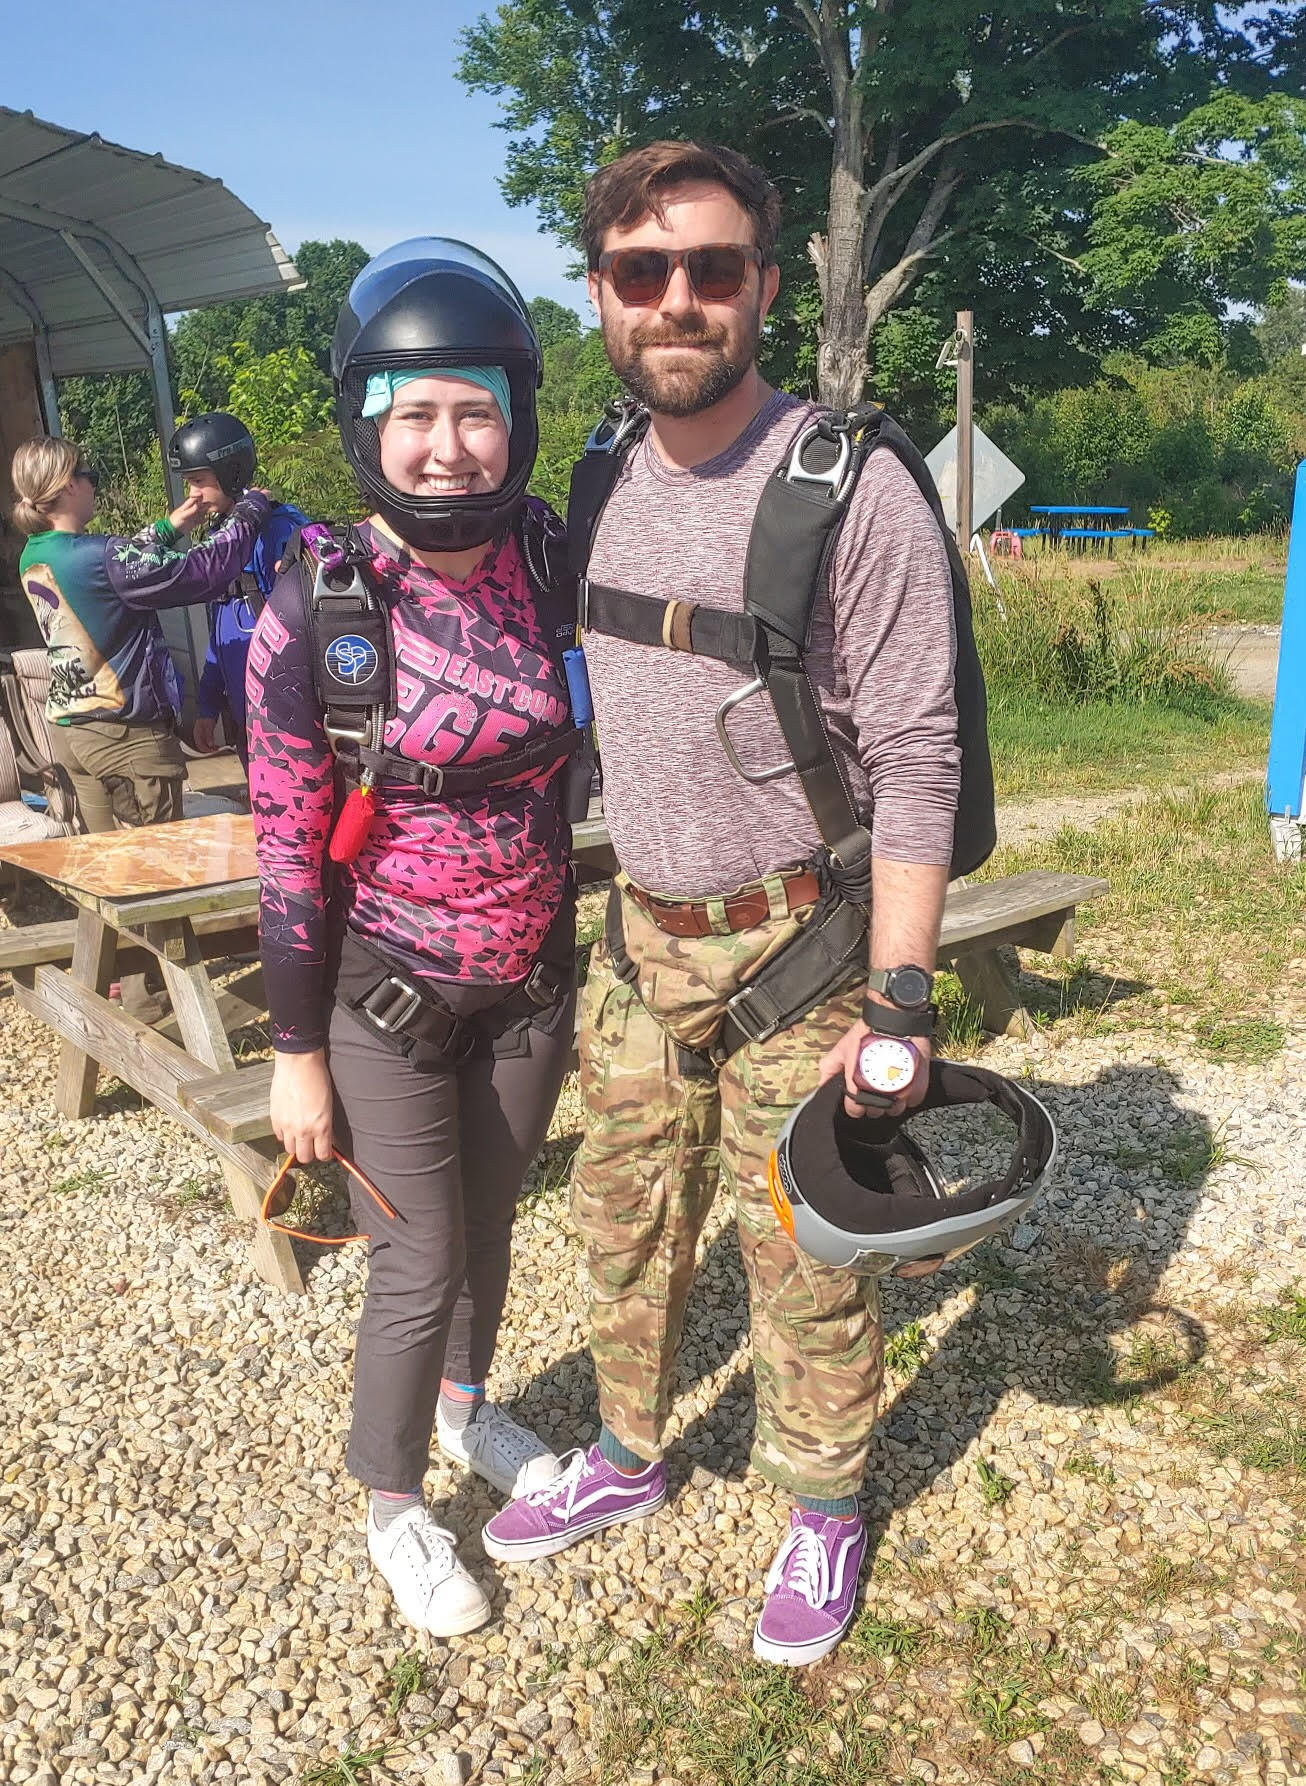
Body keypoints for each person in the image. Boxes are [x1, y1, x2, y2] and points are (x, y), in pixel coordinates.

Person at [483, 142, 967, 1667]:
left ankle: (823, 1501)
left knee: (805, 1243)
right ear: (602, 296)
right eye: (643, 271)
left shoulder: (852, 483)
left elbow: (917, 751)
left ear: (765, 283)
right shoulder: (600, 473)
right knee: (622, 1221)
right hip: (641, 936)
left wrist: (896, 996)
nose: (677, 297)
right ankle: (629, 1451)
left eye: (710, 267)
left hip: (800, 943)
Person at [246, 240, 586, 1639]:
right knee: (418, 1254)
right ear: (365, 426)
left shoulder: (554, 561)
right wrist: (291, 1056)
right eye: (413, 415)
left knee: (492, 1230)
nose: (446, 448)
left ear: (513, 413)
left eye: (473, 410)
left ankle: (462, 1408)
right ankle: (394, 1503)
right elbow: (283, 854)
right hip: (379, 995)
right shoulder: (313, 616)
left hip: (531, 981)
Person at [10, 435, 272, 831]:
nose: (94, 484)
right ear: (67, 485)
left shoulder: (36, 551)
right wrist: (251, 510)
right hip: (126, 739)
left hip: (73, 734)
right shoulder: (100, 558)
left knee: (107, 867)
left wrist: (170, 527)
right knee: (160, 865)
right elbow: (204, 571)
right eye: (90, 476)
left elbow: (114, 565)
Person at [167, 414, 308, 769]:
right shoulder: (225, 541)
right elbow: (221, 630)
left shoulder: (278, 533)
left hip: (285, 714)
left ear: (231, 472)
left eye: (198, 481)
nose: (192, 495)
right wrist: (208, 705)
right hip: (245, 715)